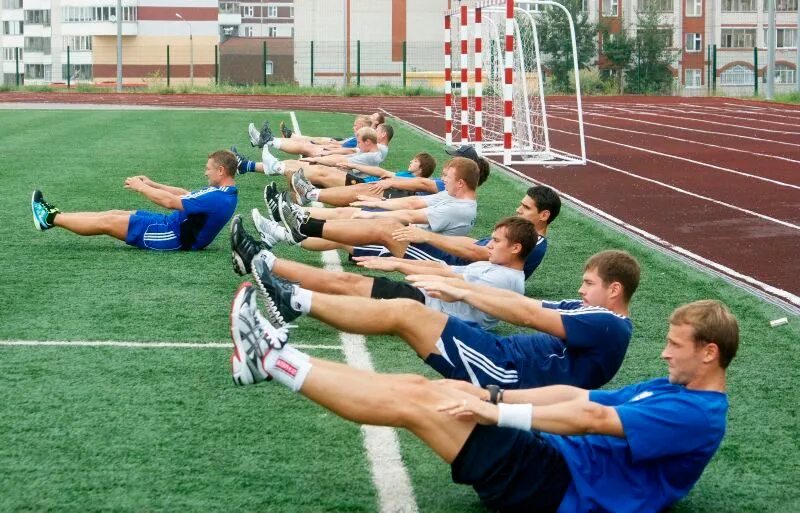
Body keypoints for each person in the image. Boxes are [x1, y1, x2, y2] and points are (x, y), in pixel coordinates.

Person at [229, 292, 737, 513]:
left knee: (417, 406)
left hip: (556, 489)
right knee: (422, 387)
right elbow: (579, 395)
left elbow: (593, 417)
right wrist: (490, 393)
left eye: (677, 344)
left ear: (709, 353)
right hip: (552, 460)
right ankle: (279, 354)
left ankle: (272, 363)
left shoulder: (697, 415)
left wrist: (497, 413)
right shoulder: (675, 389)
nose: (665, 351)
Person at [247, 249, 640, 390]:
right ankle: (294, 302)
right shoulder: (590, 311)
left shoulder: (609, 324)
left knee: (404, 314)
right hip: (503, 356)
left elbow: (528, 314)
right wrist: (454, 287)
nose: (582, 289)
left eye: (589, 283)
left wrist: (463, 291)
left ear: (615, 290)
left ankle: (294, 299)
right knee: (406, 316)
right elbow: (517, 301)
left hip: (506, 370)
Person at [231, 216, 537, 329]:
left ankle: (264, 262)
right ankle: (263, 260)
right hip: (424, 300)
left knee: (346, 283)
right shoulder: (493, 265)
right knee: (346, 281)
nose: (490, 245)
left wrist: (401, 264)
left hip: (427, 312)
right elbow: (444, 268)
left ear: (515, 249)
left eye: (497, 242)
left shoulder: (506, 279)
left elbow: (454, 282)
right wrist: (400, 264)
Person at [30, 150, 239, 251]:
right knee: (114, 213)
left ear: (221, 170)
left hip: (172, 236)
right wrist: (152, 183)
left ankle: (49, 218)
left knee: (108, 223)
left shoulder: (217, 197)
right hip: (171, 225)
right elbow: (184, 193)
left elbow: (170, 202)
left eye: (208, 169)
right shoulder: (222, 192)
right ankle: (54, 215)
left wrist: (141, 187)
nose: (205, 173)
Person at [272, 156, 479, 257]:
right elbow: (414, 203)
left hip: (412, 247)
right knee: (349, 214)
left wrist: (372, 214)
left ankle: (283, 230)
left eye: (447, 177)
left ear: (461, 183)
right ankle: (293, 214)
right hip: (404, 235)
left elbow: (412, 213)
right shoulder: (452, 196)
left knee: (346, 231)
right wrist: (380, 204)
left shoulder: (460, 208)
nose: (443, 180)